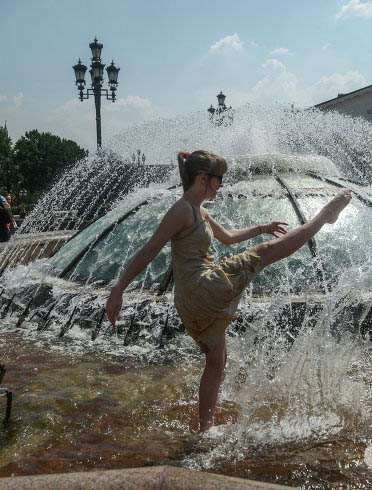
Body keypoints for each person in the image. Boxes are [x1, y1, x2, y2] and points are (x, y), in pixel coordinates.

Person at [105, 150, 352, 432]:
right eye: (218, 179)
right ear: (203, 179)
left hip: (191, 298)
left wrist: (263, 227)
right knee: (265, 252)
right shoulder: (181, 210)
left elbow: (229, 237)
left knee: (217, 360)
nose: (222, 185)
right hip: (202, 288)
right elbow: (150, 248)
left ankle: (204, 428)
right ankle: (324, 217)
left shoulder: (198, 209)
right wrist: (118, 289)